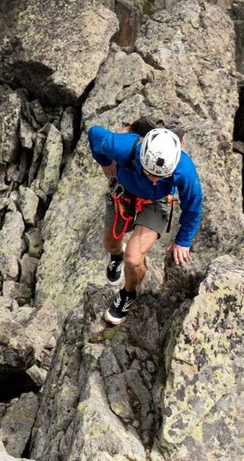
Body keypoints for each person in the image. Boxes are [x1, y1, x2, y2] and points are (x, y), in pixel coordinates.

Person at [86, 118, 204, 328]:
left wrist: (183, 240)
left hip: (156, 203)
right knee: (111, 244)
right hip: (123, 193)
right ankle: (116, 255)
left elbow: (193, 204)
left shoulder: (183, 169)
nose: (155, 181)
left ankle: (127, 294)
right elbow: (94, 134)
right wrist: (105, 163)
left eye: (161, 177)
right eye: (151, 174)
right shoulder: (123, 147)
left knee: (133, 259)